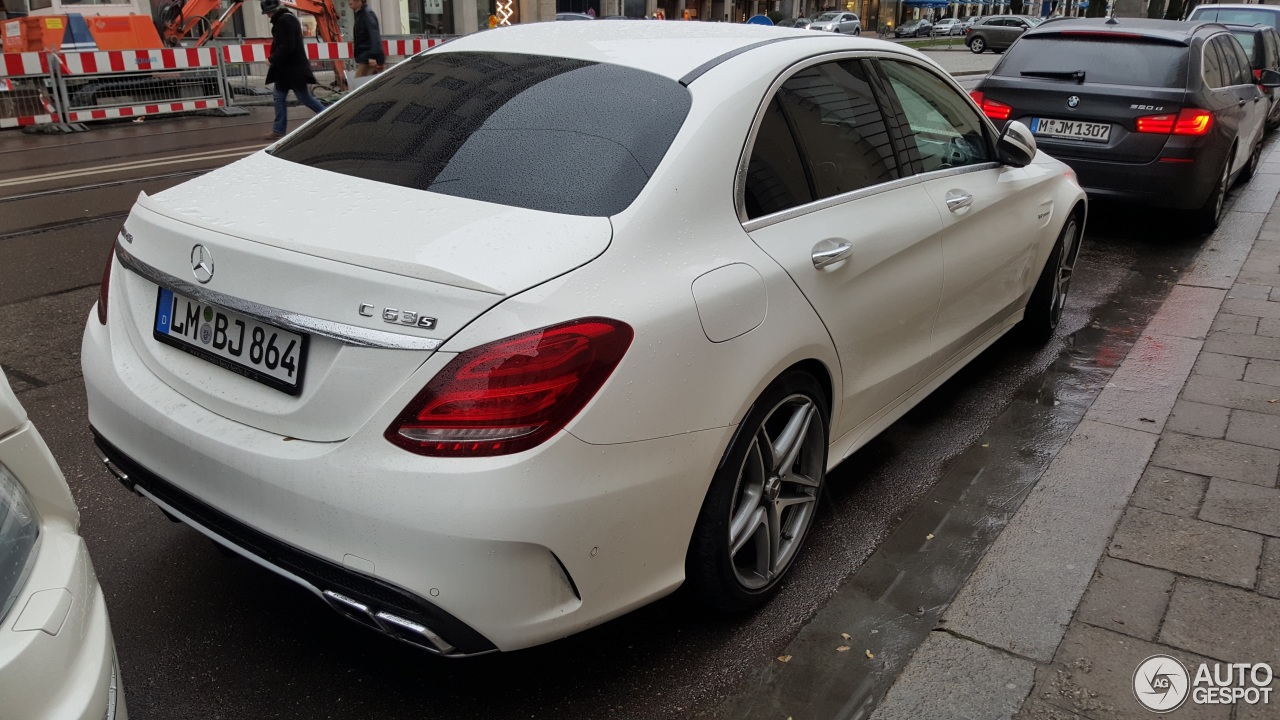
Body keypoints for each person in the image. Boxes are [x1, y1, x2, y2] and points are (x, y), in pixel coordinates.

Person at [262, 0, 326, 139]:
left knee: (304, 97)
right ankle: (278, 129)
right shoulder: (287, 19)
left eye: (267, 13)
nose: (267, 16)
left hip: (291, 69)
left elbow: (287, 46)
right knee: (284, 96)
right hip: (289, 70)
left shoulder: (283, 21)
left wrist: (272, 58)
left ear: (271, 11)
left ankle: (328, 116)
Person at [349, 0, 385, 77]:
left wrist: (373, 56)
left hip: (368, 59)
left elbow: (374, 35)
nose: (349, 2)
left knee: (360, 84)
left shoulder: (367, 14)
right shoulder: (361, 14)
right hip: (367, 58)